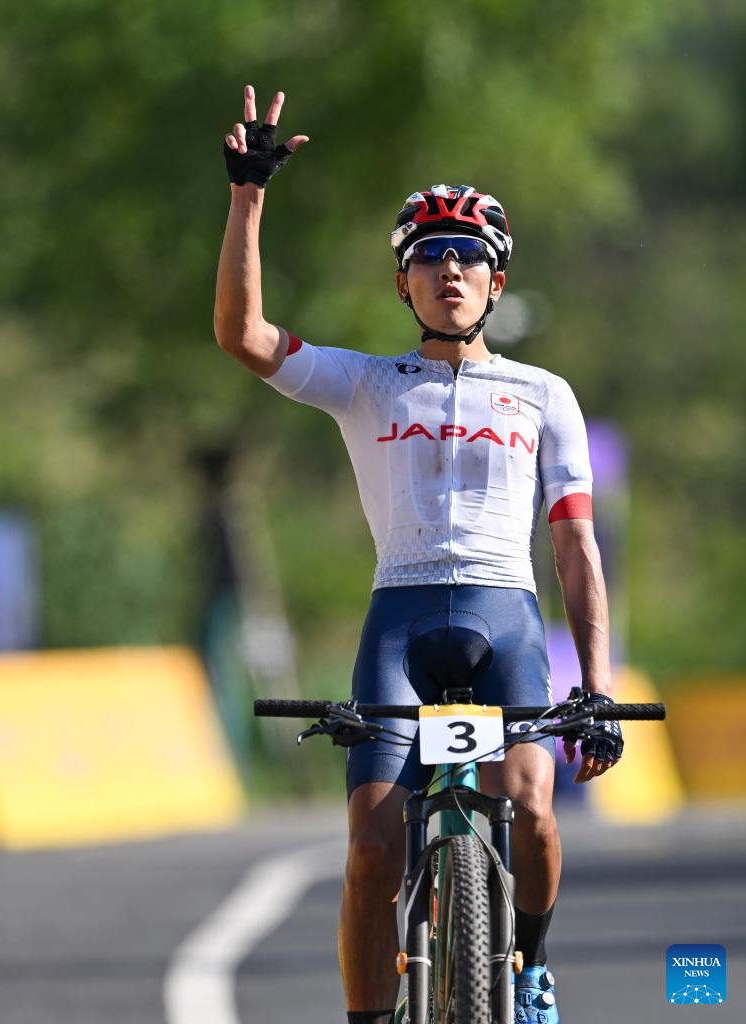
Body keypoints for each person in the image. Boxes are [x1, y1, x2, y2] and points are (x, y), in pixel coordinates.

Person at [215, 85, 624, 1024]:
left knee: (531, 807)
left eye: (468, 255)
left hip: (504, 619)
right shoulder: (365, 383)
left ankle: (530, 969)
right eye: (428, 255)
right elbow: (243, 337)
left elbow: (573, 545)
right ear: (403, 283)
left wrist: (595, 688)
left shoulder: (542, 393)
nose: (449, 268)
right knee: (370, 852)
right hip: (397, 624)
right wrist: (248, 197)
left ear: (496, 283)